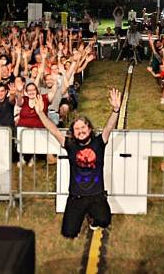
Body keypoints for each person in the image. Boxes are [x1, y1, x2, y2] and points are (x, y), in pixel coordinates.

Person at [33, 87, 121, 238]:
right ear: (73, 133)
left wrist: (116, 110)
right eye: (77, 129)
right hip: (76, 197)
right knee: (69, 233)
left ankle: (93, 218)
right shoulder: (70, 145)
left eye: (83, 127)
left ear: (89, 128)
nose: (80, 131)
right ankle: (82, 216)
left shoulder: (99, 142)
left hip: (96, 195)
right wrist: (40, 112)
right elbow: (53, 130)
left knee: (104, 221)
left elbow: (109, 127)